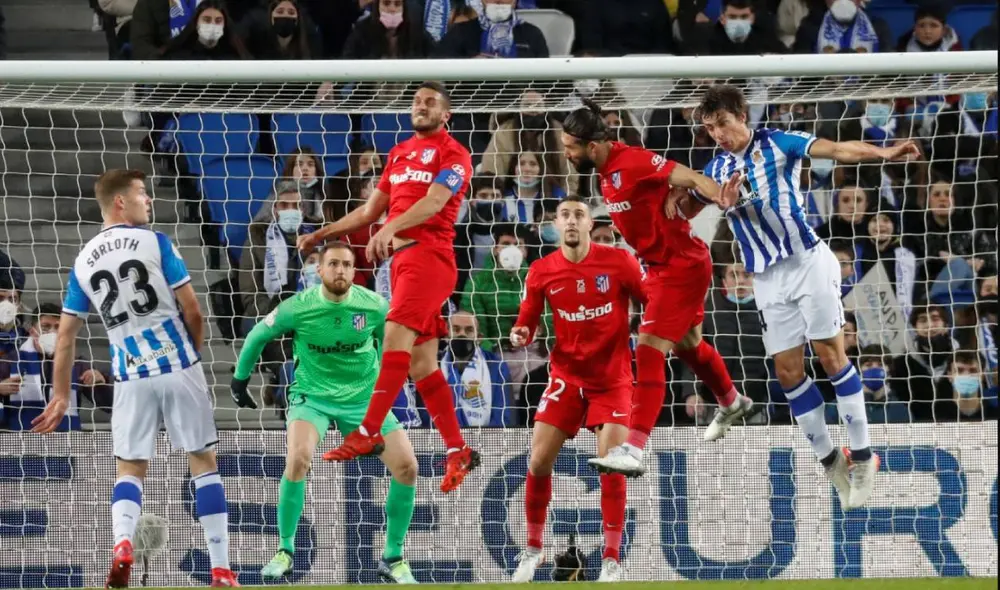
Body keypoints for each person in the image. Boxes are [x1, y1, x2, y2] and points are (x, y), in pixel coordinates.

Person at [694, 84, 920, 509]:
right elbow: (687, 199)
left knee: (832, 357)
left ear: (741, 115)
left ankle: (865, 456)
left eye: (722, 124)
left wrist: (884, 153)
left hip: (807, 262)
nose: (718, 135)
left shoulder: (778, 142)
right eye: (710, 129)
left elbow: (837, 150)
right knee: (788, 374)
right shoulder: (717, 168)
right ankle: (831, 460)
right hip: (766, 277)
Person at [30, 169, 237, 587]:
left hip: (128, 375)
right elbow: (193, 311)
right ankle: (220, 569)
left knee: (130, 469)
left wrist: (62, 394)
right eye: (142, 194)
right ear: (120, 202)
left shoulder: (84, 260)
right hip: (178, 366)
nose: (149, 200)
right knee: (203, 463)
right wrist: (191, 358)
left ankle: (123, 543)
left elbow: (66, 336)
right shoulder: (155, 242)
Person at [297, 81, 479, 493]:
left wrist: (392, 227)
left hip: (430, 257)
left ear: (445, 114)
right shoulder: (398, 154)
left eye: (430, 102)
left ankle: (368, 429)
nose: (421, 106)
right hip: (402, 263)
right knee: (421, 365)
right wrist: (321, 234)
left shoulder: (455, 154)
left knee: (394, 338)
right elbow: (368, 211)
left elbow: (433, 202)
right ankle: (457, 449)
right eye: (416, 101)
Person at [559, 99, 752, 479]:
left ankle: (634, 447)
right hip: (666, 266)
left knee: (647, 348)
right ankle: (731, 401)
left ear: (592, 146)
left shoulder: (632, 162)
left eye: (570, 147)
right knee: (689, 346)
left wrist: (721, 196)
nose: (566, 154)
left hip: (680, 267)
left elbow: (693, 177)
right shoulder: (603, 171)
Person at [230, 243, 419, 583]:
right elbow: (258, 334)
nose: (341, 271)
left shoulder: (374, 306)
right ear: (319, 269)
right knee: (298, 459)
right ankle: (285, 550)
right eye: (333, 264)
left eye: (347, 264)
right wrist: (240, 380)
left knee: (408, 468)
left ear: (354, 270)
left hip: (362, 400)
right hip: (312, 397)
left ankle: (393, 556)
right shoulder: (299, 307)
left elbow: (393, 347)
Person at [509, 196, 646, 583]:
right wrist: (521, 332)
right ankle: (533, 550)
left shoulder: (619, 262)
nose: (571, 221)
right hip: (566, 378)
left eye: (578, 215)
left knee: (612, 467)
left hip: (612, 381)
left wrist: (653, 328)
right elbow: (528, 320)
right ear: (555, 224)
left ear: (589, 224)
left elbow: (650, 301)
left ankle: (611, 559)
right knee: (538, 462)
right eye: (564, 215)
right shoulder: (541, 270)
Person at [1, 303, 112, 431]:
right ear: (32, 331)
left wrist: (101, 382)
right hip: (20, 442)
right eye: (46, 327)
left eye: (57, 327)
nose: (52, 332)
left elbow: (108, 405)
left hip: (65, 441)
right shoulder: (10, 361)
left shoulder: (78, 363)